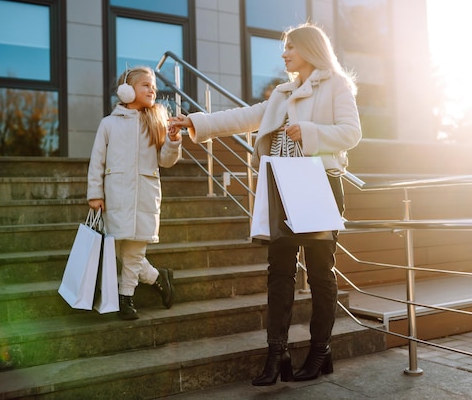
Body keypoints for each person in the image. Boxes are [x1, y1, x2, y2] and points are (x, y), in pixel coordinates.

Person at [170, 23, 362, 385]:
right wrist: (195, 120)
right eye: (284, 48)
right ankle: (277, 353)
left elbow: (352, 133)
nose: (284, 53)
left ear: (309, 49)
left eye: (290, 47)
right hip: (282, 187)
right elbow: (244, 117)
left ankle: (320, 350)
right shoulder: (282, 93)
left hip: (320, 184)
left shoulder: (336, 85)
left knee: (320, 273)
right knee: (279, 272)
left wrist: (309, 132)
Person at [87, 66, 182, 320]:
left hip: (145, 196)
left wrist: (173, 142)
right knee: (118, 249)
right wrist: (95, 193)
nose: (152, 90)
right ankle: (157, 277)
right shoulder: (108, 124)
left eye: (154, 86)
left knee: (134, 252)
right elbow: (97, 160)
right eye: (146, 85)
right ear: (127, 90)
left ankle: (126, 298)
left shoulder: (155, 121)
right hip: (116, 196)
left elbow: (165, 160)